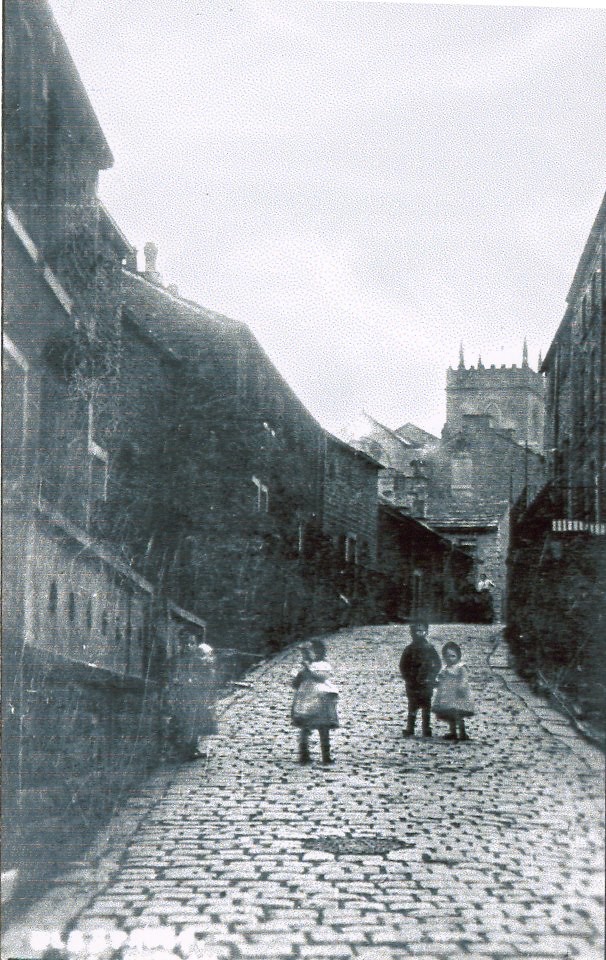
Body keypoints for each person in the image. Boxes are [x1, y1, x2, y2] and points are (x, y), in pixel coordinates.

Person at [167, 631, 218, 760]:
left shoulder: (199, 660)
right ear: (180, 645)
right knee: (181, 722)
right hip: (181, 696)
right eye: (185, 643)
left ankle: (192, 748)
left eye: (192, 643)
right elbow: (171, 677)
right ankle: (179, 750)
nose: (188, 646)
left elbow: (207, 676)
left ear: (196, 645)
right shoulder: (175, 660)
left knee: (196, 722)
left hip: (196, 695)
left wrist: (199, 681)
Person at [291, 639, 339, 765]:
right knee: (305, 728)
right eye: (309, 652)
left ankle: (326, 755)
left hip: (322, 700)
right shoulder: (302, 668)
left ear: (322, 652)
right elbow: (295, 683)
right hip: (306, 700)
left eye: (316, 651)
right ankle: (304, 754)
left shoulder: (324, 665)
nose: (313, 654)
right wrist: (301, 674)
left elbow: (321, 677)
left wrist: (309, 669)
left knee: (323, 728)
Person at [399, 620, 442, 737]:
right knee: (412, 705)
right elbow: (403, 665)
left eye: (422, 631)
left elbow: (437, 663)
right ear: (412, 633)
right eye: (417, 631)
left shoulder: (429, 648)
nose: (420, 633)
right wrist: (407, 677)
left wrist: (432, 675)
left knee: (426, 706)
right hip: (412, 683)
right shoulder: (409, 649)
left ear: (426, 632)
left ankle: (426, 728)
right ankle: (410, 728)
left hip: (426, 682)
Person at [432, 641, 475, 741]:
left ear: (458, 656)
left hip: (457, 695)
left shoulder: (461, 668)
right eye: (447, 656)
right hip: (447, 696)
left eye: (452, 656)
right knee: (450, 715)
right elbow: (441, 678)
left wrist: (461, 687)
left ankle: (462, 733)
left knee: (457, 715)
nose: (449, 659)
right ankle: (453, 732)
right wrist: (437, 681)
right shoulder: (445, 668)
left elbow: (464, 679)